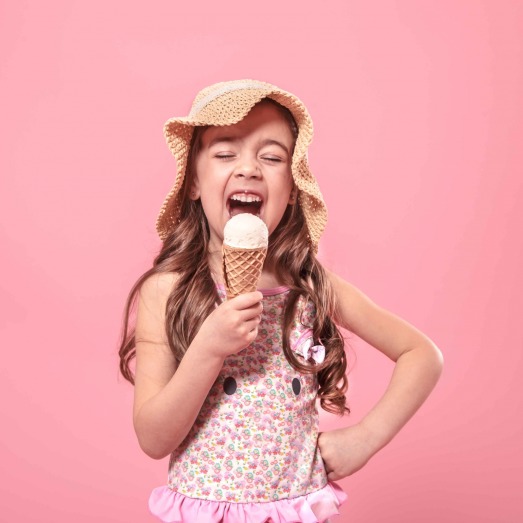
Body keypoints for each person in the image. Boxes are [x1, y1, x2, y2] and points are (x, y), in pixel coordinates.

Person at [118, 79, 443, 523]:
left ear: (292, 189)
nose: (249, 168)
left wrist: (366, 437)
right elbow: (154, 439)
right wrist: (208, 348)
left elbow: (421, 354)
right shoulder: (167, 290)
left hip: (296, 509)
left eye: (271, 157)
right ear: (194, 181)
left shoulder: (310, 283)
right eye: (225, 152)